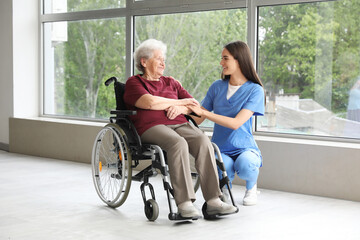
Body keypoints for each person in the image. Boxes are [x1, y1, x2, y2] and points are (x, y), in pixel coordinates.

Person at [123, 39, 237, 218]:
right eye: (158, 59)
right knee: (178, 143)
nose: (163, 63)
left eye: (164, 59)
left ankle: (213, 200)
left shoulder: (171, 83)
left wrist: (182, 108)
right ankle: (184, 204)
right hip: (151, 127)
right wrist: (180, 102)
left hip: (180, 123)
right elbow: (150, 102)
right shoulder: (134, 83)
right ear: (143, 62)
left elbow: (195, 106)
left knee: (202, 140)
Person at [188, 40, 265, 206]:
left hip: (244, 146)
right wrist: (179, 108)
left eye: (225, 58)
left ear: (239, 60)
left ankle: (251, 187)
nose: (221, 63)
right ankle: (225, 188)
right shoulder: (217, 87)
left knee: (246, 165)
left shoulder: (255, 90)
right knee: (223, 167)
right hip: (220, 147)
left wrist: (206, 113)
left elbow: (236, 123)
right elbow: (198, 118)